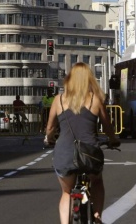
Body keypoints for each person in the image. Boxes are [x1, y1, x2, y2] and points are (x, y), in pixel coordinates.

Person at [44, 63, 119, 224]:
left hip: (64, 153)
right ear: (89, 80)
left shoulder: (59, 100)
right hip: (90, 154)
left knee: (66, 192)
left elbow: (50, 128)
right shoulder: (96, 100)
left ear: (69, 79)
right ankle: (97, 216)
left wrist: (49, 139)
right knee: (97, 182)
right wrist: (113, 140)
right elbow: (108, 127)